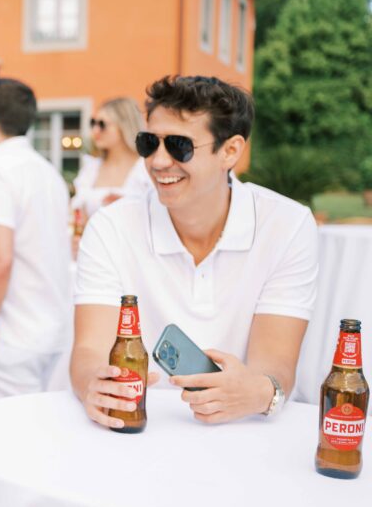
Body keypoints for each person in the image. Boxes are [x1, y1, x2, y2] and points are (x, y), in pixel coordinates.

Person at [71, 75, 318, 429]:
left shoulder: (287, 225)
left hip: (242, 432)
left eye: (178, 145)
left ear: (230, 151)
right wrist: (93, 384)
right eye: (147, 143)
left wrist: (261, 392)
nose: (158, 162)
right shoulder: (110, 227)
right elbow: (88, 350)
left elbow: (275, 364)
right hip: (136, 429)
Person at [0, 78, 73, 402]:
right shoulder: (46, 171)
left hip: (11, 334)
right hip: (51, 327)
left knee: (3, 443)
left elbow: (0, 258)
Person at [71, 97, 152, 219]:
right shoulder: (91, 167)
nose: (95, 130)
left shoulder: (146, 169)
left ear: (124, 126)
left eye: (102, 124)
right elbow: (74, 213)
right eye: (93, 123)